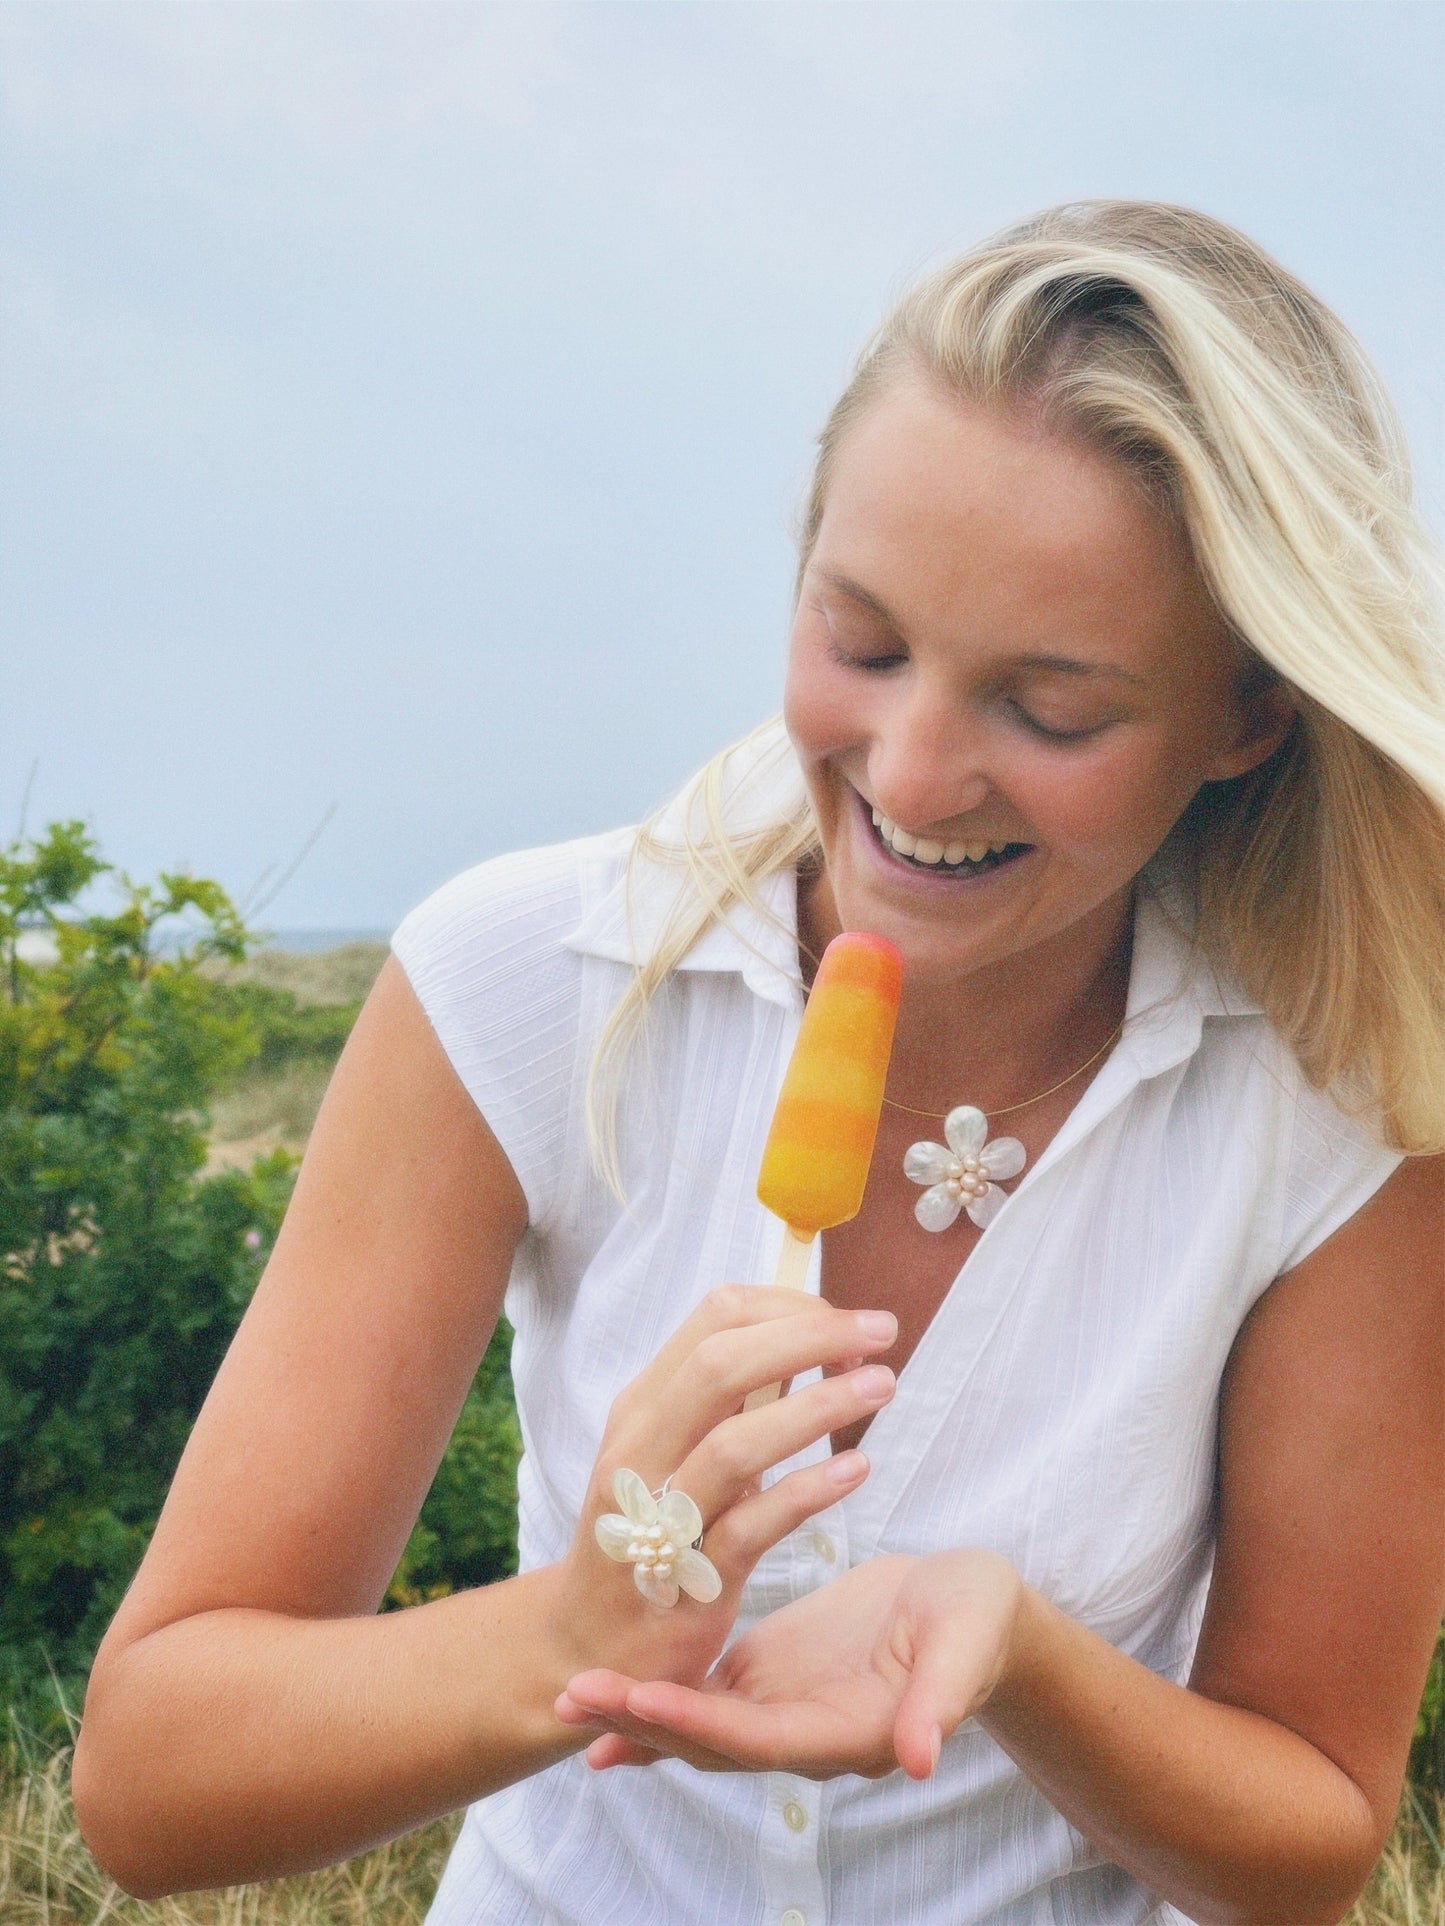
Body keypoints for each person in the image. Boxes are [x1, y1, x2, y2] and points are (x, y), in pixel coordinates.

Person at [74, 202, 1443, 1925]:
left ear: (1247, 712)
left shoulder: (1347, 1107)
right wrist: (570, 1629)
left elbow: (1314, 1824)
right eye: (860, 641)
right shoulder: (521, 980)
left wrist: (1018, 1661)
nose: (912, 772)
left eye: (1054, 709)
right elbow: (146, 1775)